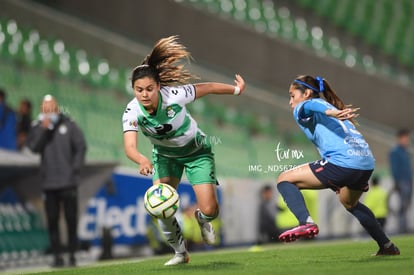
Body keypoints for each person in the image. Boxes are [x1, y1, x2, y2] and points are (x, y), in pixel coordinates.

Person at [122, 36, 245, 265]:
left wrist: (236, 90)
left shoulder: (174, 96)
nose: (145, 94)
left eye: (150, 88)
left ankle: (202, 219)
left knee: (211, 210)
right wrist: (141, 159)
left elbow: (206, 87)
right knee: (160, 207)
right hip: (165, 157)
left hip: (197, 153)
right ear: (133, 90)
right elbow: (130, 146)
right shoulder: (131, 111)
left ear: (159, 86)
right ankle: (180, 253)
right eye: (139, 90)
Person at [275, 75, 400, 256]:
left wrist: (329, 113)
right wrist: (332, 112)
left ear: (307, 93)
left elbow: (310, 105)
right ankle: (387, 246)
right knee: (349, 202)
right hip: (365, 163)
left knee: (284, 179)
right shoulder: (333, 107)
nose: (290, 102)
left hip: (344, 163)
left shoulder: (308, 106)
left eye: (292, 95)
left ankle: (306, 222)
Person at [26, 95, 87, 267]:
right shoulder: (37, 127)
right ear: (41, 109)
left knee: (71, 220)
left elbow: (81, 146)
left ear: (57, 108)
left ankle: (73, 255)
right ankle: (57, 256)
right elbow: (33, 148)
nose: (49, 111)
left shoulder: (69, 125)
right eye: (45, 108)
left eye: (51, 107)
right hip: (49, 183)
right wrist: (45, 130)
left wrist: (74, 168)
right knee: (52, 221)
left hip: (68, 182)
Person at [389, 128, 412, 234]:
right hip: (402, 182)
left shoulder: (405, 151)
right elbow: (394, 168)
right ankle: (402, 230)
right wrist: (397, 182)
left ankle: (404, 227)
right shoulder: (395, 152)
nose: (407, 141)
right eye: (405, 139)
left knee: (406, 205)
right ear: (400, 139)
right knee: (402, 206)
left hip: (408, 181)